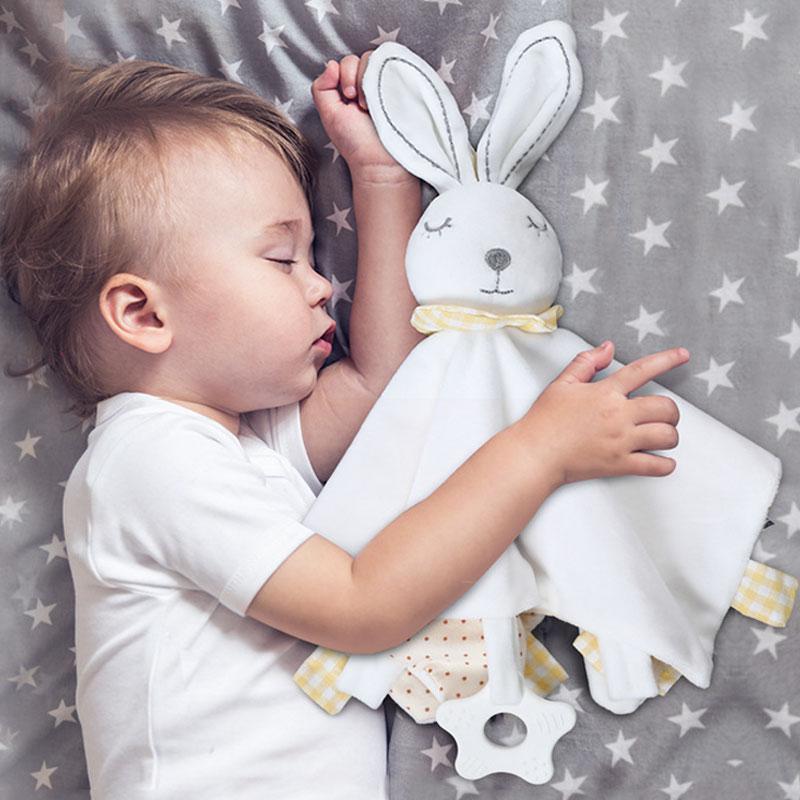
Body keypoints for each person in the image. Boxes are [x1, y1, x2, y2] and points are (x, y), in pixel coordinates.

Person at [0, 50, 689, 800]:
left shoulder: (236, 441)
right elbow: (364, 605)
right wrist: (539, 453)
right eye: (281, 259)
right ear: (143, 313)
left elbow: (383, 383)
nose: (322, 285)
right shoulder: (148, 462)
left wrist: (384, 182)